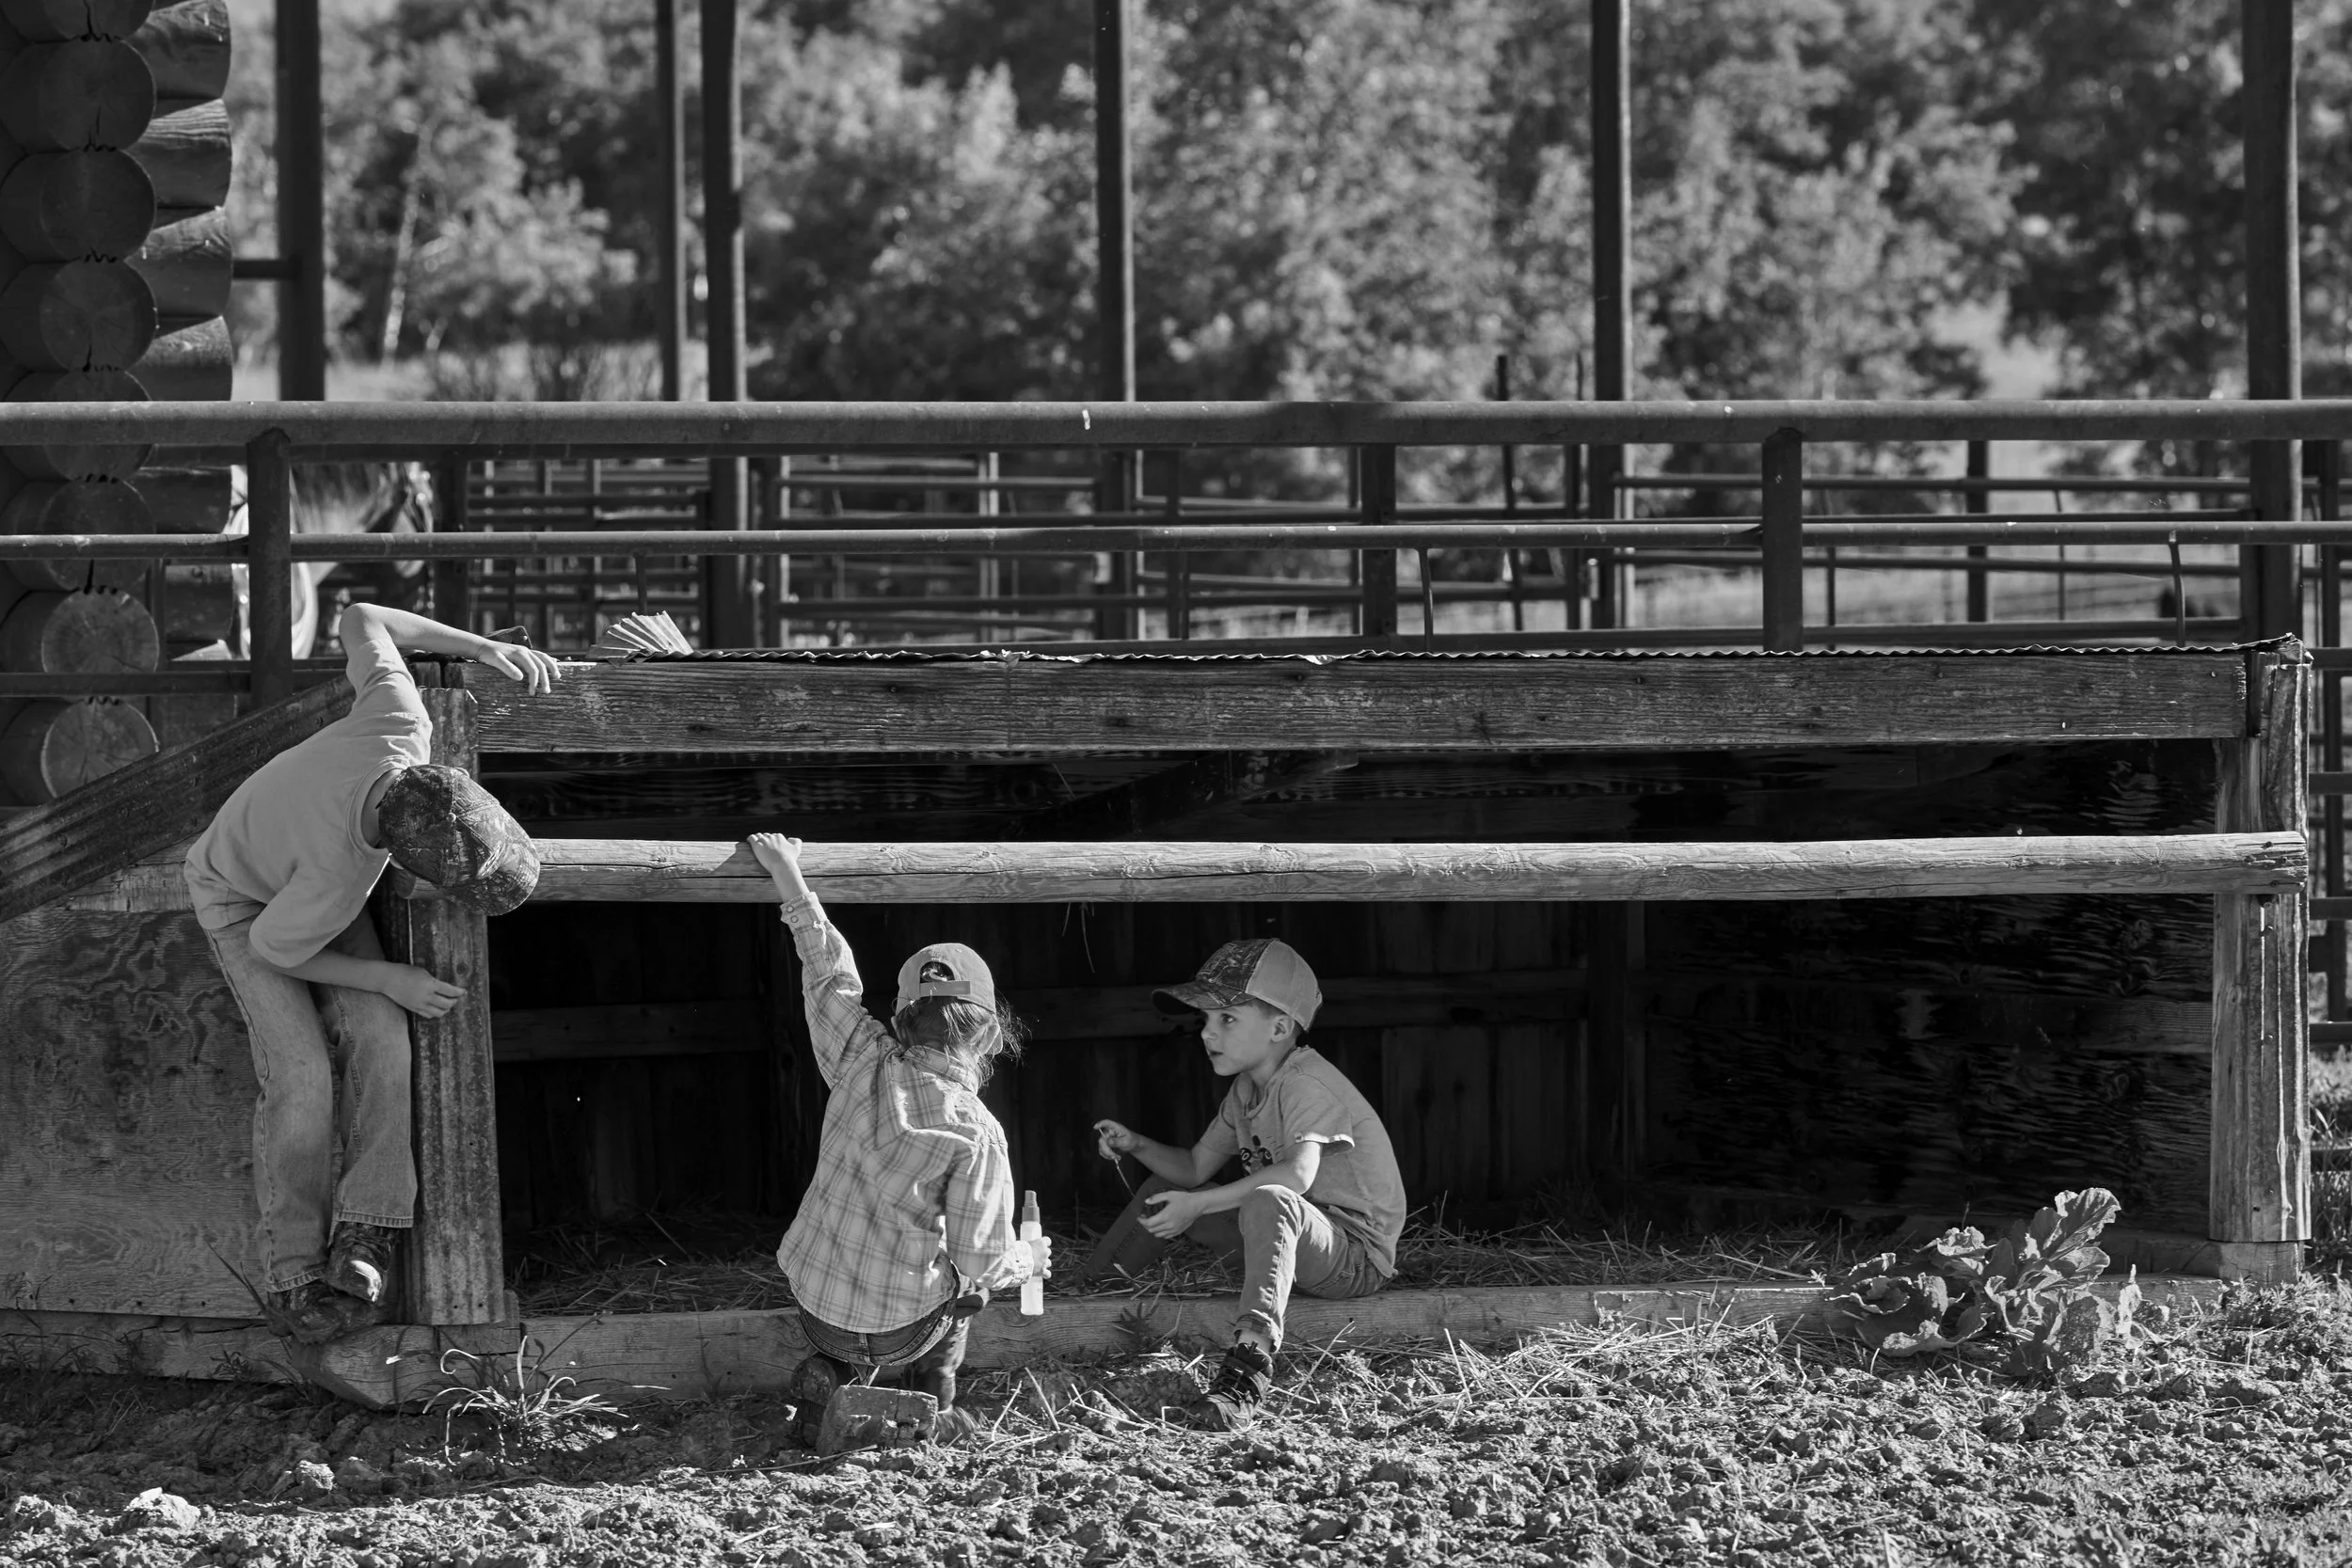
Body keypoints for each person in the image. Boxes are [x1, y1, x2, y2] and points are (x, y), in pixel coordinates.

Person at [183, 603, 562, 1343]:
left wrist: (480, 643)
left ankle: (367, 1232)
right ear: (402, 861)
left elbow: (360, 617)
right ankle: (293, 1272)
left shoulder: (400, 723)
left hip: (301, 877)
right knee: (302, 1072)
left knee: (385, 1040)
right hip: (243, 901)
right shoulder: (336, 875)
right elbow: (275, 948)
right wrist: (387, 977)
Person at [753, 832, 1048, 1447]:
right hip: (902, 1329)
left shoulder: (861, 1055)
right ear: (991, 1036)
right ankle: (931, 1393)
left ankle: (831, 1372)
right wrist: (1029, 1259)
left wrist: (790, 876)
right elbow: (981, 1260)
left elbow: (828, 975)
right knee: (968, 1288)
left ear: (901, 1018)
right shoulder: (976, 1130)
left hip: (817, 1310)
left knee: (854, 1313)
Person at [1083, 937, 1406, 1430]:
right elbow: (1193, 1168)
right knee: (1166, 1192)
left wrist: (1200, 1206)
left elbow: (1297, 1178)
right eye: (1206, 1020)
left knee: (1271, 1197)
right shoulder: (1245, 1090)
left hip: (1352, 1256)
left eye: (1227, 1018)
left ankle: (1247, 1368)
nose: (1207, 1032)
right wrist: (1135, 1143)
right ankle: (1092, 1289)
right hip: (1290, 1237)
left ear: (1279, 1028)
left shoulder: (1304, 1083)